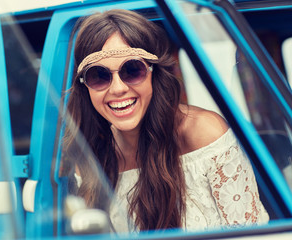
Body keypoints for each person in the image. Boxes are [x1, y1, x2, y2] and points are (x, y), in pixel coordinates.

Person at [62, 9, 269, 233]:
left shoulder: (205, 133)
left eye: (132, 70)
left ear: (154, 73)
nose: (118, 89)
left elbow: (250, 235)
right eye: (99, 76)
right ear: (85, 86)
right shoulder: (88, 157)